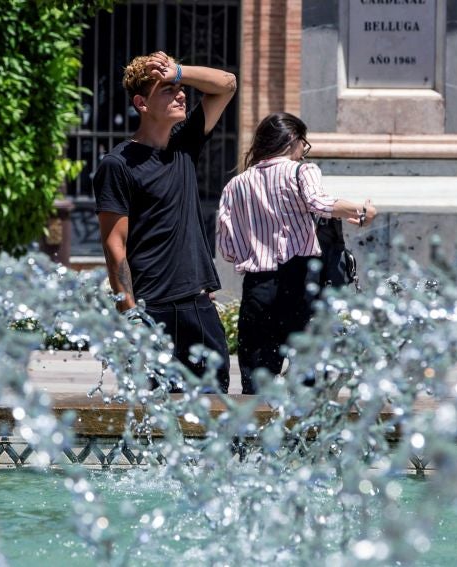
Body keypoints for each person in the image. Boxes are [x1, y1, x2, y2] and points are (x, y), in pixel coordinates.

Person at [94, 51, 236, 392]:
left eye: (180, 87)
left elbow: (226, 85)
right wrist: (131, 319)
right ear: (142, 103)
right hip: (151, 311)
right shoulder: (118, 164)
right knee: (155, 426)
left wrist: (179, 71)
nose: (181, 93)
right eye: (168, 89)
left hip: (199, 306)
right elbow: (115, 248)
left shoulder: (184, 145)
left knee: (215, 416)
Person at [216, 112, 377, 394]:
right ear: (292, 139)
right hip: (301, 285)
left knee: (256, 387)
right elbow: (319, 203)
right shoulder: (301, 171)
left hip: (257, 290)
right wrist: (361, 211)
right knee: (310, 385)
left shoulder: (234, 186)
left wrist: (259, 242)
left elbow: (228, 250)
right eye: (304, 143)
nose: (304, 150)